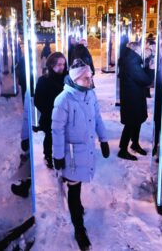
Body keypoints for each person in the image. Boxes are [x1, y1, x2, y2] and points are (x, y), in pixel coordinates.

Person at [52, 59, 110, 251]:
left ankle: (77, 212)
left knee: (80, 186)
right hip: (72, 156)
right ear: (76, 79)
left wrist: (104, 139)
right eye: (86, 78)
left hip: (87, 152)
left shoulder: (90, 95)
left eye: (91, 77)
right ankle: (79, 228)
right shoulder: (63, 100)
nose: (90, 80)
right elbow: (57, 131)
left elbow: (97, 118)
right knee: (74, 191)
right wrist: (58, 156)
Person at [117, 42, 153, 161]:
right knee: (131, 124)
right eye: (140, 50)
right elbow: (145, 80)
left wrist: (146, 64)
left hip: (132, 96)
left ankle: (135, 144)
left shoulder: (128, 59)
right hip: (133, 98)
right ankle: (123, 150)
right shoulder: (132, 62)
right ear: (135, 50)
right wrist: (151, 69)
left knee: (135, 122)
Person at [34, 52, 67, 169]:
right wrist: (50, 112)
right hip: (50, 117)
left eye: (63, 64)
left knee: (63, 138)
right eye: (59, 64)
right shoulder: (43, 80)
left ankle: (62, 157)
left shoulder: (67, 79)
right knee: (50, 137)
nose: (62, 67)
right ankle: (47, 155)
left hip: (65, 116)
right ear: (51, 65)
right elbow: (37, 100)